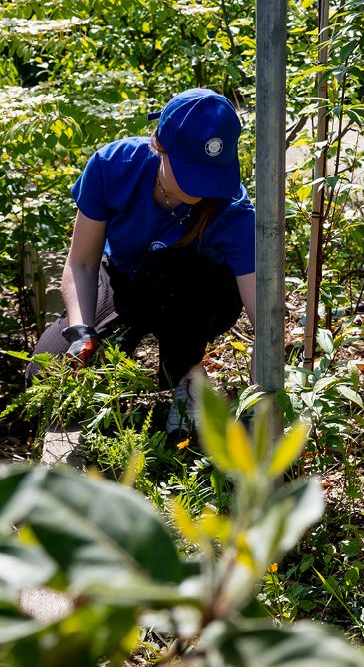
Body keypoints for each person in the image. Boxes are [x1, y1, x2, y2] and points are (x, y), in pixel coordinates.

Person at [30, 87, 256, 434]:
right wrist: (81, 331)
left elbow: (262, 310)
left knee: (167, 268)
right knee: (48, 371)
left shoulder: (231, 206)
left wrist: (263, 392)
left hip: (198, 297)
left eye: (211, 175)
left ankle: (189, 377)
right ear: (159, 145)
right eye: (191, 173)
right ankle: (112, 387)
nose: (202, 190)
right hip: (125, 277)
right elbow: (82, 263)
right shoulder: (113, 166)